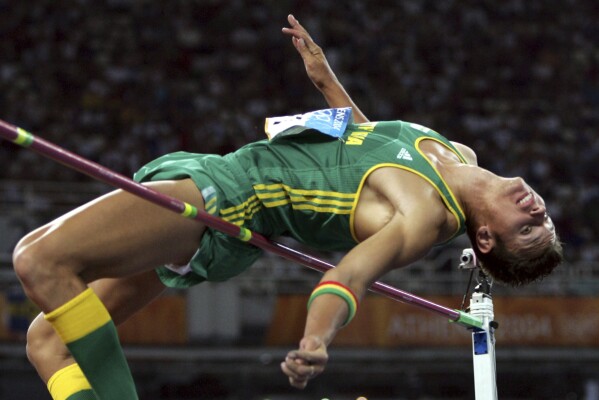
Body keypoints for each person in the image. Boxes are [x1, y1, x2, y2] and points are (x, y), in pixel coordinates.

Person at [13, 14, 562, 400]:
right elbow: (369, 145)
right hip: (230, 195)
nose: (538, 213)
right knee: (47, 341)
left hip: (231, 196)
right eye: (545, 220)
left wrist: (315, 339)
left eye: (529, 230)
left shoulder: (426, 216)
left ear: (485, 238)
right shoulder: (455, 153)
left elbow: (348, 277)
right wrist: (326, 80)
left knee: (38, 261)